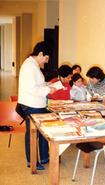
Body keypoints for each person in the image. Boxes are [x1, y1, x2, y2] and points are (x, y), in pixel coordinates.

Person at [17, 41, 56, 170]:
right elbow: (32, 89)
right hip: (31, 104)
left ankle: (44, 157)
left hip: (36, 103)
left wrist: (47, 85)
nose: (46, 61)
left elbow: (37, 84)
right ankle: (32, 161)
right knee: (32, 133)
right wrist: (48, 90)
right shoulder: (29, 67)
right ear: (40, 54)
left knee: (41, 131)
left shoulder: (33, 66)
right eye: (46, 58)